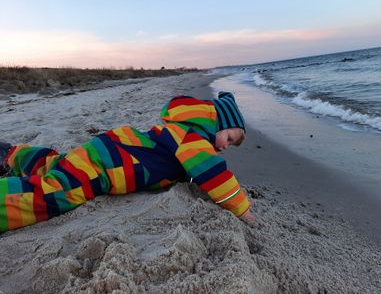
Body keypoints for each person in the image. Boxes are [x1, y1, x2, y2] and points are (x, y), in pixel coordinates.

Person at [0, 92, 255, 232]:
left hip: (108, 149)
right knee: (56, 192)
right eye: (230, 138)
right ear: (219, 122)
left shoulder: (180, 130)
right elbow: (213, 173)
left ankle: (11, 154)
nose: (224, 147)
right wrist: (241, 207)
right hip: (107, 166)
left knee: (58, 165)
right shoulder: (195, 138)